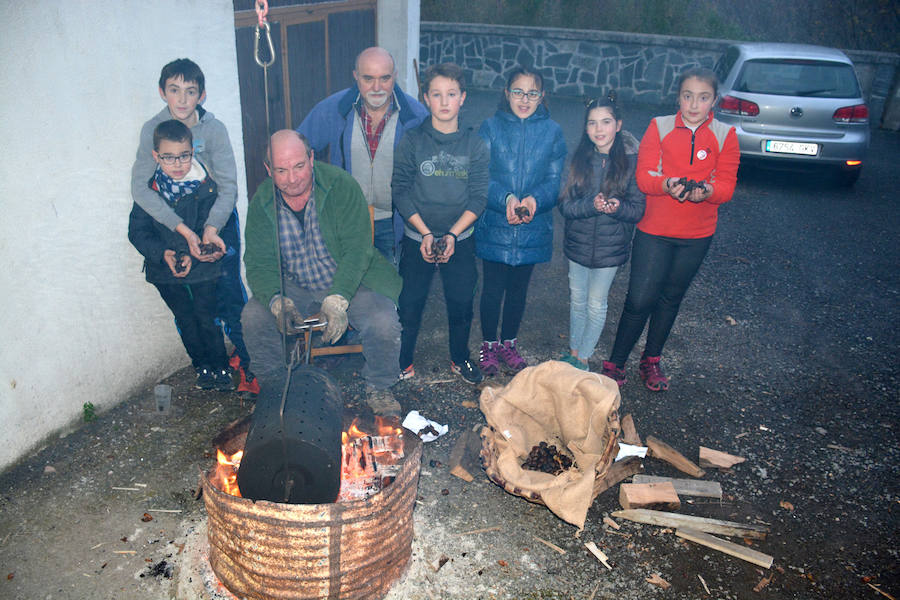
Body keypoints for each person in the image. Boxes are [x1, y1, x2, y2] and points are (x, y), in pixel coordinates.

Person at [241, 130, 403, 416]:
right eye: (281, 170)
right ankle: (274, 388)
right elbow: (258, 262)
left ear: (312, 158)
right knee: (253, 316)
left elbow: (358, 250)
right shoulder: (262, 202)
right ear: (268, 170)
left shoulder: (341, 186)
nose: (292, 178)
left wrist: (338, 298)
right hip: (296, 284)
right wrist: (277, 300)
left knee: (383, 320)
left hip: (349, 279)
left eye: (299, 166)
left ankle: (380, 385)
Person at [601, 68, 740, 391]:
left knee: (670, 299)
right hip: (654, 229)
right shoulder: (659, 127)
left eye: (703, 97)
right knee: (639, 299)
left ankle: (651, 360)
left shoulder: (724, 135)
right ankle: (616, 363)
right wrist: (666, 184)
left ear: (713, 101)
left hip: (697, 235)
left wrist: (706, 191)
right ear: (678, 97)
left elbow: (727, 187)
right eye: (688, 96)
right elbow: (645, 178)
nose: (694, 104)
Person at [130, 58, 257, 396]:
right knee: (192, 303)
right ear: (162, 92)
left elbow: (229, 186)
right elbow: (140, 189)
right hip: (176, 224)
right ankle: (209, 361)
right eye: (174, 90)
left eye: (190, 91)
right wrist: (182, 230)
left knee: (230, 293)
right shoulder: (152, 131)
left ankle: (249, 364)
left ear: (202, 95)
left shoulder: (213, 129)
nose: (182, 100)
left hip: (215, 218)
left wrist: (212, 228)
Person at [392, 63, 489, 385]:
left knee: (461, 301)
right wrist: (425, 233)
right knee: (410, 302)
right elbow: (401, 190)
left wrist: (450, 235)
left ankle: (459, 358)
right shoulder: (412, 140)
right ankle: (402, 361)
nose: (444, 102)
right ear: (426, 98)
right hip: (416, 235)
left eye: (451, 94)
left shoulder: (475, 145)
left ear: (463, 98)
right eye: (437, 94)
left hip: (459, 238)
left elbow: (478, 197)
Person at [297, 47, 429, 267]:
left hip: (393, 223)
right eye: (368, 78)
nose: (377, 87)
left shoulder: (416, 116)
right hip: (348, 221)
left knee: (387, 292)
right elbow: (297, 147)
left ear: (395, 76)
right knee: (348, 288)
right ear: (355, 76)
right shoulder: (334, 109)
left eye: (385, 78)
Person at [128, 120, 233, 391]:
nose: (177, 164)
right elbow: (137, 233)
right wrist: (162, 253)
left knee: (207, 318)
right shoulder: (149, 192)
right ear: (156, 157)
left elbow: (207, 229)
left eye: (184, 156)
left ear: (193, 152)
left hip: (202, 270)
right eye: (169, 157)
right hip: (165, 272)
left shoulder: (206, 187)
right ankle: (202, 367)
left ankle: (221, 367)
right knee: (185, 320)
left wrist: (193, 254)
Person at [475, 66, 567, 376]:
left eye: (532, 93)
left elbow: (555, 180)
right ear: (506, 93)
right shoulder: (490, 128)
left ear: (542, 96)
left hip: (532, 227)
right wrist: (506, 200)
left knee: (518, 291)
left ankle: (509, 343)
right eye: (518, 91)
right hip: (496, 225)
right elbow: (481, 176)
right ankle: (488, 344)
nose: (524, 99)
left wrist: (534, 201)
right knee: (492, 289)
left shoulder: (553, 132)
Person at [557, 93, 644, 371]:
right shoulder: (577, 159)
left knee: (596, 304)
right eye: (592, 123)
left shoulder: (631, 162)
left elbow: (637, 210)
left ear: (618, 124)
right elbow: (566, 206)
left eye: (605, 122)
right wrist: (590, 205)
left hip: (610, 250)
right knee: (577, 299)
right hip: (578, 246)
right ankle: (573, 350)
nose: (599, 129)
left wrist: (616, 207)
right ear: (586, 128)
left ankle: (583, 357)